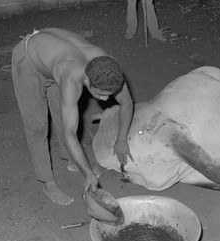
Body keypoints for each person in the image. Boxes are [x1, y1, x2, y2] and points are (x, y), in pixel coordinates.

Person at [11, 28, 134, 205]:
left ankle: (73, 161)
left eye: (109, 93)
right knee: (38, 126)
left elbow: (127, 102)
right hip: (29, 60)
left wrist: (122, 139)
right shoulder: (70, 80)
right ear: (86, 81)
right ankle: (48, 183)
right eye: (100, 93)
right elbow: (69, 132)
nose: (106, 99)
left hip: (55, 58)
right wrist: (88, 174)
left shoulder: (109, 67)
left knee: (63, 117)